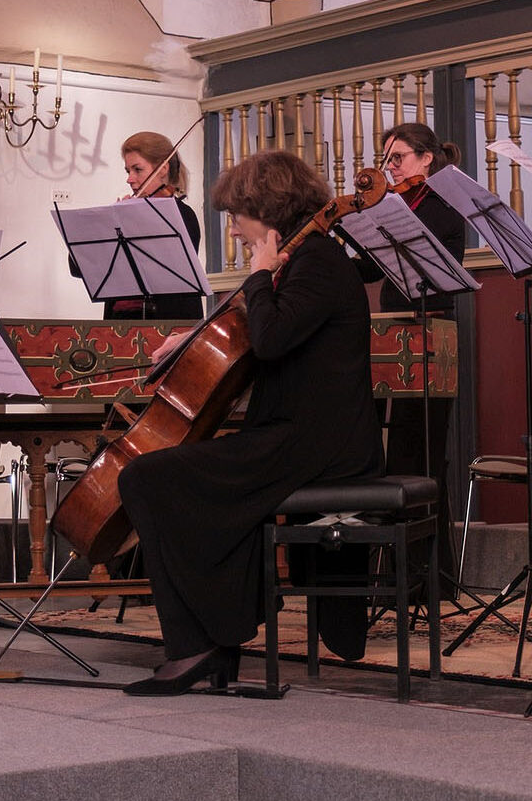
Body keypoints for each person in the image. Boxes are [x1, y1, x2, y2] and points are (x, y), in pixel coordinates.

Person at [115, 149, 383, 695]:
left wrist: (259, 276)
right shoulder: (301, 263)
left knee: (146, 477)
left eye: (237, 216)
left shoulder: (319, 264)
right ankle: (212, 636)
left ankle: (202, 643)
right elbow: (259, 338)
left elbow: (272, 337)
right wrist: (193, 337)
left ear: (267, 210)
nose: (234, 228)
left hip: (316, 444)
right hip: (289, 433)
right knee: (163, 479)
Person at [358, 123, 465, 576]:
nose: (389, 167)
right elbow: (366, 269)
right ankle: (394, 573)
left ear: (426, 159)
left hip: (430, 333)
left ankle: (430, 576)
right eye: (386, 159)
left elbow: (439, 266)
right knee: (394, 452)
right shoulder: (390, 204)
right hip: (393, 332)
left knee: (423, 452)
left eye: (397, 157)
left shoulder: (443, 205)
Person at [68, 130, 205, 320]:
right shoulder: (123, 214)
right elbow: (79, 268)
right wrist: (106, 226)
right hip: (120, 322)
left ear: (163, 169)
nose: (130, 178)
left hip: (167, 322)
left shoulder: (182, 214)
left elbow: (163, 271)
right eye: (128, 171)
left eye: (137, 170)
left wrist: (132, 222)